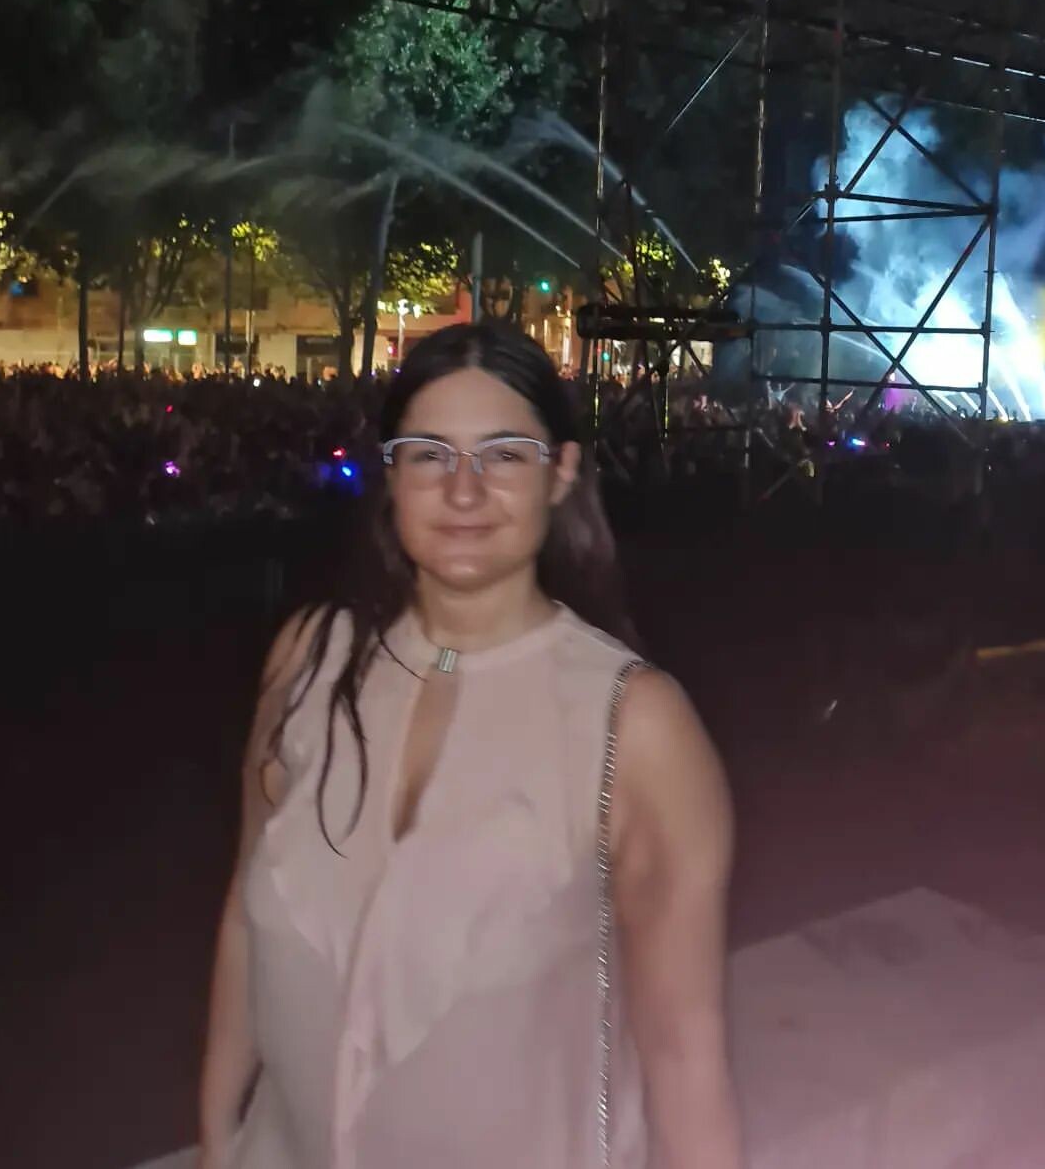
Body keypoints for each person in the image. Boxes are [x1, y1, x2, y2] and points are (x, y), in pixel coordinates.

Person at [198, 322, 742, 1169]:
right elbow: (245, 915)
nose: (463, 490)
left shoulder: (633, 725)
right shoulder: (309, 661)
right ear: (390, 474)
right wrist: (215, 1132)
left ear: (561, 472)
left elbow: (683, 1048)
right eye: (429, 455)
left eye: (504, 455)